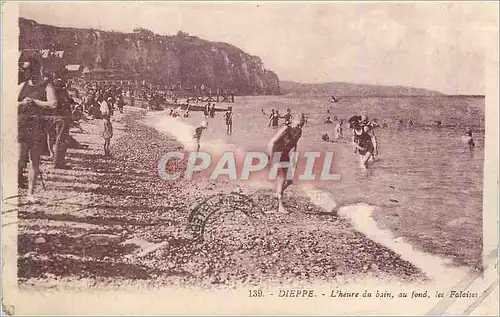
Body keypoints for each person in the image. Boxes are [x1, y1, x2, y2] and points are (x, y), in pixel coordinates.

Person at [17, 57, 58, 201]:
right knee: (19, 159)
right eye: (24, 69)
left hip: (37, 126)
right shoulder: (22, 85)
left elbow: (53, 104)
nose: (24, 71)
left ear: (35, 70)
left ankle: (31, 193)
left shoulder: (46, 85)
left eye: (27, 69)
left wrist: (35, 102)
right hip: (21, 124)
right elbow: (8, 102)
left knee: (34, 161)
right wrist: (22, 103)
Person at [267, 113, 306, 214]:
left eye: (302, 124)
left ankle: (278, 193)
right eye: (298, 124)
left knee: (289, 180)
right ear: (292, 122)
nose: (300, 126)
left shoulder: (299, 132)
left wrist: (294, 159)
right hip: (276, 153)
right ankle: (280, 206)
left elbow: (294, 145)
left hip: (285, 154)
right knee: (281, 178)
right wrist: (271, 159)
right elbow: (272, 142)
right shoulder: (285, 129)